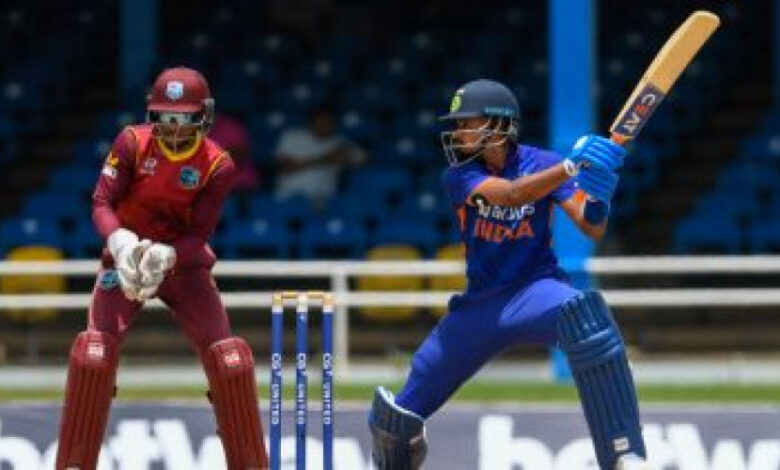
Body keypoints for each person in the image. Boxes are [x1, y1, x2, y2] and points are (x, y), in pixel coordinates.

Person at [367, 79, 653, 470]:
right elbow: (512, 194)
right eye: (457, 125)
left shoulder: (543, 162)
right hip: (480, 307)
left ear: (499, 124)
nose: (458, 132)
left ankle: (625, 454)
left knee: (587, 318)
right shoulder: (459, 176)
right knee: (395, 419)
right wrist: (570, 166)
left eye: (467, 123)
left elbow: (591, 226)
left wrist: (600, 195)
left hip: (536, 290)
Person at [55, 67, 269, 470]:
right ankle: (73, 464)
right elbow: (102, 202)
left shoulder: (217, 164)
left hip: (182, 265)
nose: (173, 129)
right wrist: (119, 241)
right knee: (93, 355)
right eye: (164, 118)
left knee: (230, 361)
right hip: (126, 260)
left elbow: (200, 233)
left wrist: (168, 256)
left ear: (204, 116)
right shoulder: (132, 142)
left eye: (183, 119)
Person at [274, 105, 365, 207]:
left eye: (329, 122)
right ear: (311, 122)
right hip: (288, 197)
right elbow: (285, 167)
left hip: (323, 202)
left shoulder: (339, 142)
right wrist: (327, 158)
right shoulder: (291, 136)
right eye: (321, 121)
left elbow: (364, 160)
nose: (325, 125)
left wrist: (346, 160)